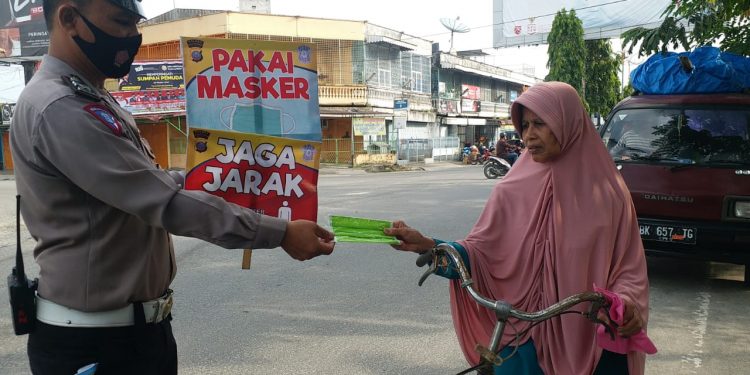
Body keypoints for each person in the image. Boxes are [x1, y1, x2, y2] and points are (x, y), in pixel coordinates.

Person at [10, 1, 335, 374]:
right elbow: (164, 202)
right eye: (120, 23)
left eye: (136, 25)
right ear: (69, 19)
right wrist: (279, 233)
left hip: (134, 333)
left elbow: (149, 183)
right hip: (94, 344)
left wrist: (218, 170)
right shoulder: (61, 106)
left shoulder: (95, 97)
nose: (133, 37)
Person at [386, 82, 651, 375]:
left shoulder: (609, 194)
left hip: (588, 337)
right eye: (524, 125)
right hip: (522, 335)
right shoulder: (509, 189)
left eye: (540, 123)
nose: (528, 135)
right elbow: (480, 252)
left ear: (568, 122)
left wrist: (625, 304)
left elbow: (628, 268)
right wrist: (427, 244)